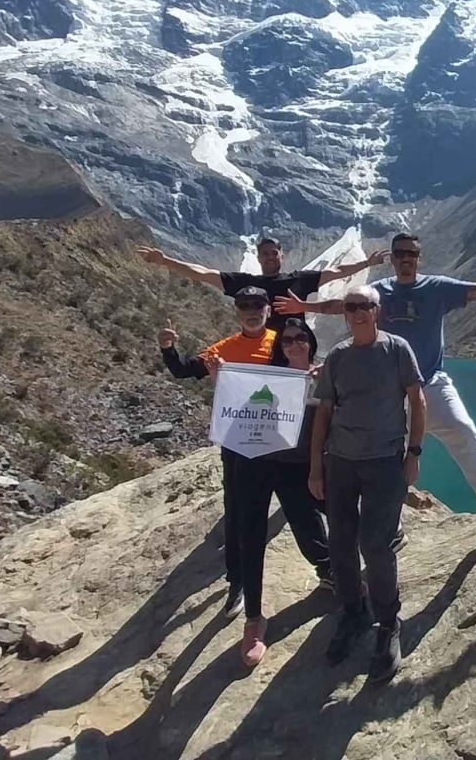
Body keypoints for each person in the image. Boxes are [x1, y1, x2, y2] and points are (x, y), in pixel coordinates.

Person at [279, 232, 476, 548]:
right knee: (387, 459)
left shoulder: (437, 288)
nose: (406, 258)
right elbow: (345, 306)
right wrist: (304, 305)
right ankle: (394, 527)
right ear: (392, 256)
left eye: (412, 254)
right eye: (400, 252)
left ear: (419, 258)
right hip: (390, 395)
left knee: (466, 434)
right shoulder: (379, 291)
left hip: (431, 384)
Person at [160, 287, 327, 623]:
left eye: (258, 305)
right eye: (244, 306)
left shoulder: (281, 342)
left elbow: (301, 374)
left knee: (302, 508)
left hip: (283, 444)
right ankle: (238, 582)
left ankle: (328, 567)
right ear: (237, 311)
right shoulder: (225, 348)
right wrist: (168, 348)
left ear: (268, 310)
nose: (251, 311)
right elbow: (184, 370)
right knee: (238, 512)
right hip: (240, 442)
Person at [309, 285, 426, 682]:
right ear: (344, 314)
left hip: (384, 461)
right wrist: (315, 466)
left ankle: (388, 622)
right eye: (351, 307)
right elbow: (323, 412)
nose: (358, 313)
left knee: (376, 545)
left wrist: (414, 454)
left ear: (378, 311)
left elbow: (418, 400)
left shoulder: (396, 350)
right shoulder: (338, 357)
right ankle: (354, 612)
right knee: (340, 542)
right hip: (341, 461)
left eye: (365, 306)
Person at [229, 316, 332, 667]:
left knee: (307, 523)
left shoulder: (326, 377)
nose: (293, 344)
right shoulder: (268, 377)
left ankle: (330, 571)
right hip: (256, 462)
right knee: (252, 535)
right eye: (286, 340)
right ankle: (254, 620)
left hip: (296, 465)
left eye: (299, 337)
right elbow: (241, 413)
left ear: (310, 342)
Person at [138, 236, 387, 331]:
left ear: (282, 255)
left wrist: (366, 263)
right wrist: (166, 261)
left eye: (274, 253)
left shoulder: (298, 280)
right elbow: (203, 273)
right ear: (259, 258)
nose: (270, 257)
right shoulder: (245, 283)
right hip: (257, 349)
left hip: (293, 349)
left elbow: (336, 271)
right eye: (265, 254)